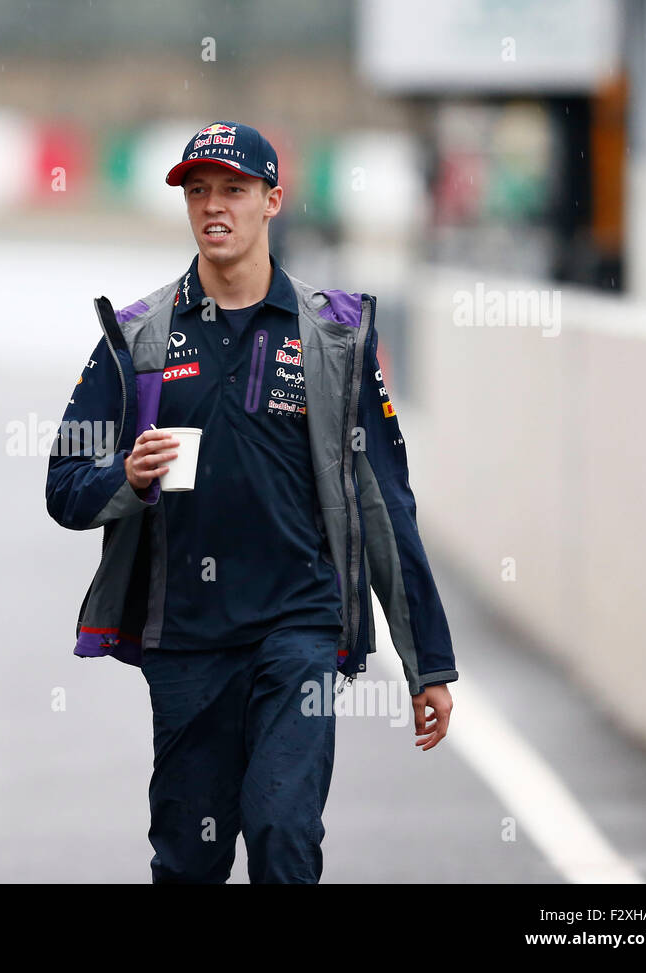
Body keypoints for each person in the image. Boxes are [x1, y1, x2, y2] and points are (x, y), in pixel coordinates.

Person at [44, 122, 457, 883]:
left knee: (283, 834)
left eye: (232, 189)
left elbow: (385, 505)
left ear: (273, 199)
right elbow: (64, 487)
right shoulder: (134, 335)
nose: (213, 206)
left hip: (297, 632)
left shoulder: (335, 336)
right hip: (184, 643)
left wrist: (427, 660)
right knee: (189, 860)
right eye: (197, 191)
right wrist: (128, 477)